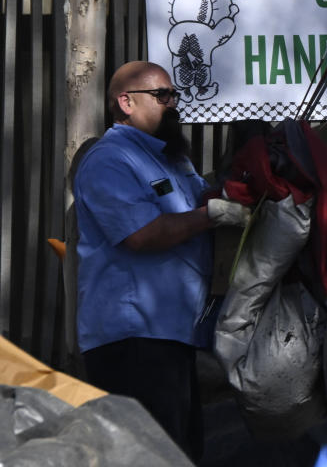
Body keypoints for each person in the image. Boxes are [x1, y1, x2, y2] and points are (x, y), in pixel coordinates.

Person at [73, 61, 249, 460]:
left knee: (180, 453)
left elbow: (201, 201)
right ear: (126, 102)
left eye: (174, 95)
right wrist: (211, 215)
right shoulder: (109, 161)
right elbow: (141, 234)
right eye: (161, 95)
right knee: (151, 455)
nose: (173, 104)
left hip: (173, 335)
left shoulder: (174, 161)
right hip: (132, 338)